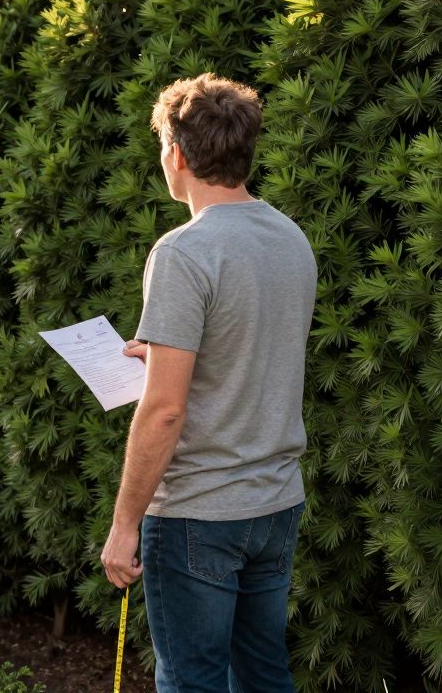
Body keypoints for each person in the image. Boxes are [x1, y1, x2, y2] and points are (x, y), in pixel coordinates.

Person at [100, 73, 317, 693]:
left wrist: (123, 527)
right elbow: (252, 351)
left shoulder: (183, 253)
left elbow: (164, 412)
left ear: (176, 154)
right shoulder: (290, 238)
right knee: (264, 677)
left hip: (198, 515)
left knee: (191, 682)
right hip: (276, 504)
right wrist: (164, 354)